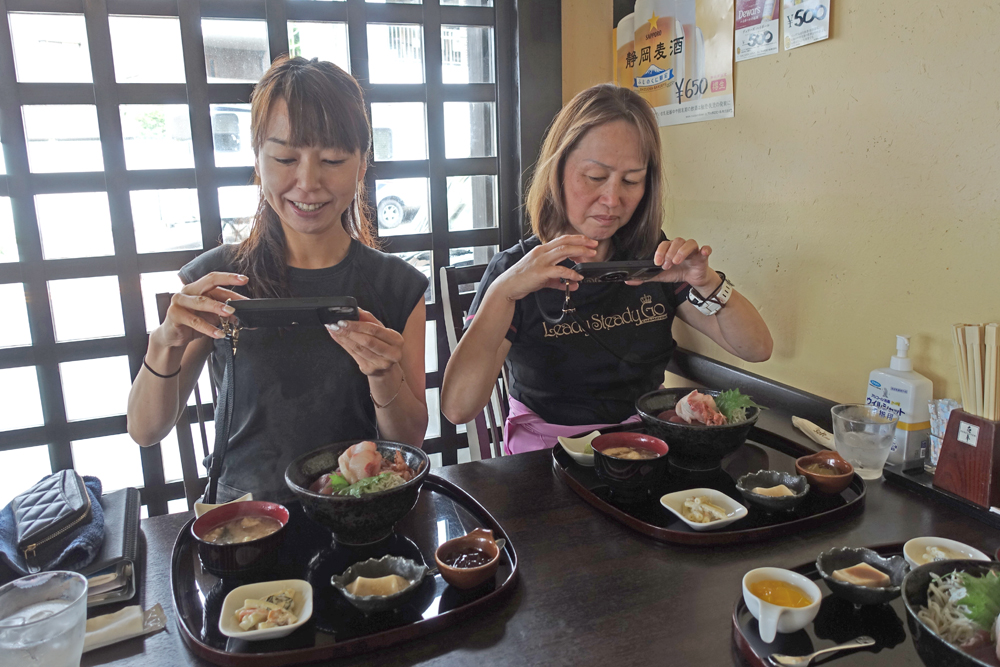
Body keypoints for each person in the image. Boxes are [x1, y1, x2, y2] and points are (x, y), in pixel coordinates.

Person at [127, 57, 428, 502]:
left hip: (357, 518)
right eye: (286, 157)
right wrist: (165, 341)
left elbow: (411, 441)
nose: (307, 182)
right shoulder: (219, 282)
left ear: (362, 165)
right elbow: (146, 430)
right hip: (246, 521)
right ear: (257, 159)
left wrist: (383, 374)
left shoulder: (397, 286)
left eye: (332, 159)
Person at [440, 84, 772, 455]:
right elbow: (458, 408)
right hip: (549, 456)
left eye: (631, 180)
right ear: (558, 170)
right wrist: (504, 292)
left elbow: (757, 348)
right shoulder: (516, 273)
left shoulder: (649, 259)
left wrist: (707, 281)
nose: (613, 200)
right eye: (595, 177)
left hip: (646, 445)